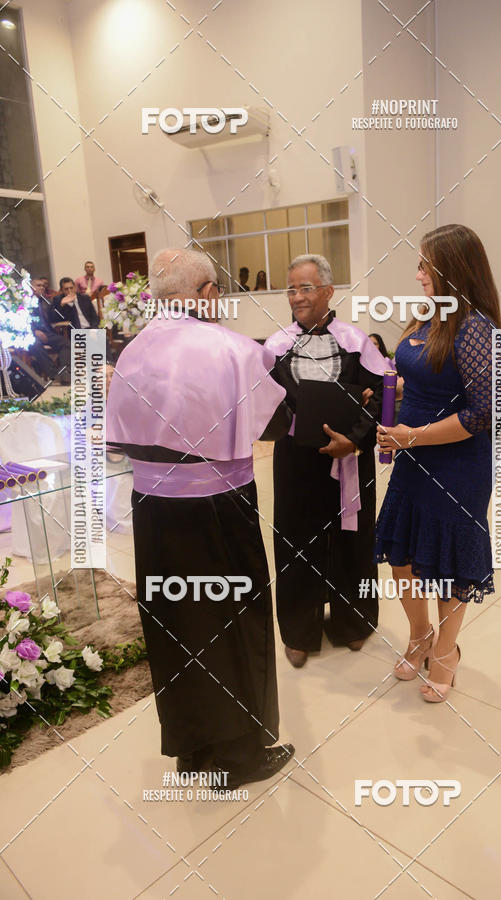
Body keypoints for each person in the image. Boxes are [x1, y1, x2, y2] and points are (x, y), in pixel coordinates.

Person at [106, 247, 294, 786]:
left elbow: (120, 440)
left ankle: (192, 751)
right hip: (219, 509)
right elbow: (277, 423)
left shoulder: (132, 352)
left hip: (154, 513)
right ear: (207, 293)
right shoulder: (233, 349)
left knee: (176, 624)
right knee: (234, 621)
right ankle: (240, 757)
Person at [376, 224, 498, 703]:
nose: (419, 273)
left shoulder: (476, 328)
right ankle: (419, 635)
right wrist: (395, 399)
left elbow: (482, 413)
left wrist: (414, 435)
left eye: (427, 264)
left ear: (454, 268)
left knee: (449, 561)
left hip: (457, 463)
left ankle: (446, 651)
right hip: (412, 457)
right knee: (402, 555)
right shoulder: (427, 316)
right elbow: (425, 378)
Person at [264, 253, 386, 668]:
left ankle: (353, 622)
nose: (297, 296)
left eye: (306, 288)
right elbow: (264, 402)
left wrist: (354, 440)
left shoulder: (356, 340)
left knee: (353, 539)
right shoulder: (275, 345)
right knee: (296, 541)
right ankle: (299, 631)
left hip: (349, 456)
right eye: (291, 289)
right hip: (296, 460)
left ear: (329, 291)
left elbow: (381, 396)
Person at [29, 277, 70, 383]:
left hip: (47, 332)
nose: (42, 287)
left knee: (66, 343)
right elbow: (20, 321)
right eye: (38, 285)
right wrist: (34, 332)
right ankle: (54, 374)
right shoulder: (24, 302)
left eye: (43, 286)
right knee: (35, 345)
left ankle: (65, 374)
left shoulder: (46, 301)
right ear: (31, 287)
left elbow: (55, 318)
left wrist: (62, 305)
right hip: (30, 334)